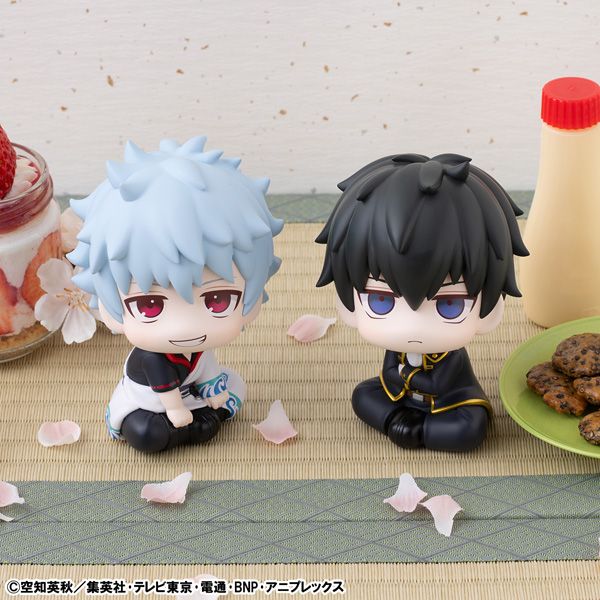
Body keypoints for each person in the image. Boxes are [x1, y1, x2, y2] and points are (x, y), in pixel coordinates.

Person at [68, 136, 283, 453]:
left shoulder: (199, 349)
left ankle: (199, 423)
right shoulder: (151, 356)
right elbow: (167, 393)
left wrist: (215, 393)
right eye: (149, 306)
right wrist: (177, 411)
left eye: (218, 300)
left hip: (190, 398)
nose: (185, 327)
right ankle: (191, 427)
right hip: (151, 406)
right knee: (146, 432)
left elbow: (208, 371)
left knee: (234, 387)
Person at [316, 153, 528, 452]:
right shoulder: (398, 350)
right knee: (364, 395)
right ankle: (405, 423)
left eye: (449, 305)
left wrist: (406, 376)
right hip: (400, 398)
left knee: (469, 428)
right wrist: (402, 378)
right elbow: (390, 374)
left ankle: (418, 429)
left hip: (449, 405)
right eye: (380, 301)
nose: (412, 326)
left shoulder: (449, 357)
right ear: (347, 303)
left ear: (489, 311)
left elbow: (439, 385)